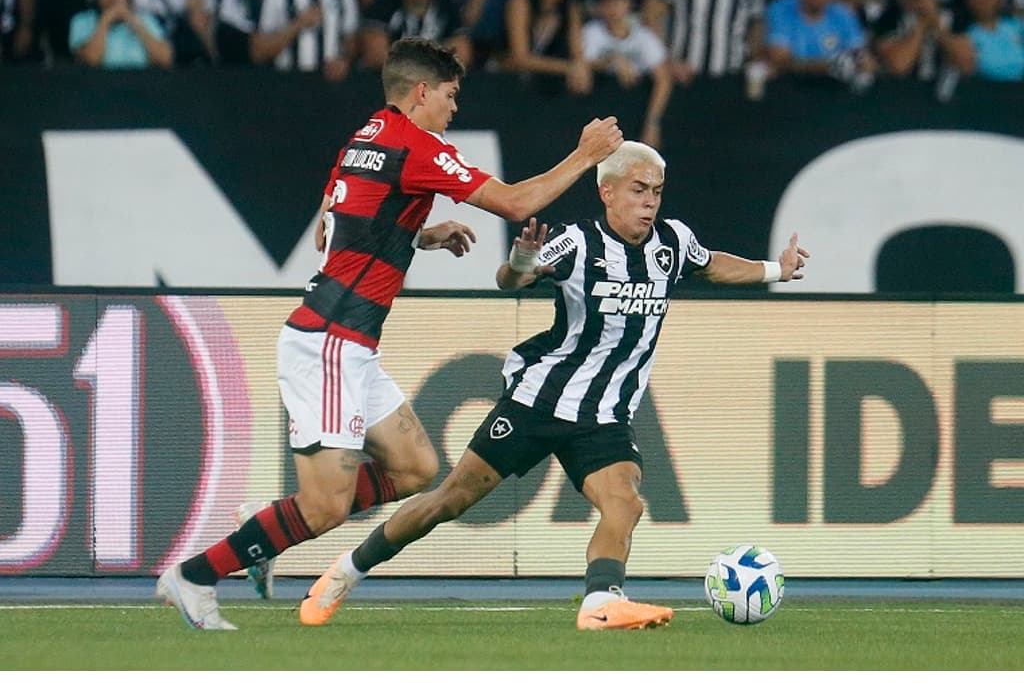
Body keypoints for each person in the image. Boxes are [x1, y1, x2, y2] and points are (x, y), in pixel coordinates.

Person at [155, 37, 624, 630]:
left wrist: (417, 234)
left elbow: (334, 225)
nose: (454, 107)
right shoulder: (417, 146)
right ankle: (195, 576)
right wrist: (584, 155)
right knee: (324, 507)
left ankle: (267, 525)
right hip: (328, 341)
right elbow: (514, 203)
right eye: (450, 95)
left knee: (415, 468)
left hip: (348, 345)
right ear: (422, 92)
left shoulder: (366, 137)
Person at [298, 140, 809, 631]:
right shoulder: (577, 241)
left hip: (604, 416)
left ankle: (600, 604)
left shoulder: (672, 242)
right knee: (450, 499)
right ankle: (347, 570)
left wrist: (776, 270)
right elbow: (511, 279)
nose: (650, 202)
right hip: (538, 402)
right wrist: (522, 262)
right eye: (638, 190)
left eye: (656, 191)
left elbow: (711, 264)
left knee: (625, 503)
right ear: (607, 191)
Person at [581, 0, 674, 149]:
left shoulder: (644, 37)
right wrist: (613, 60)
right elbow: (583, 64)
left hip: (634, 118)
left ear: (628, 4)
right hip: (596, 116)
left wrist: (652, 123)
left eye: (618, 2)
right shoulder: (591, 32)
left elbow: (663, 78)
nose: (613, 8)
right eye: (607, 2)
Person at [764, 0, 877, 92]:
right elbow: (778, 59)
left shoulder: (843, 13)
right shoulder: (780, 9)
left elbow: (862, 55)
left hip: (834, 89)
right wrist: (828, 66)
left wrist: (863, 64)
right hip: (790, 87)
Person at [503, 0, 592, 96]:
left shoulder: (570, 8)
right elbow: (519, 58)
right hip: (506, 79)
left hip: (546, 86)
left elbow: (577, 53)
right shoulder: (520, 2)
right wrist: (568, 68)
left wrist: (580, 69)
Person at [68, 0, 172, 69]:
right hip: (97, 85)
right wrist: (105, 20)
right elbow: (91, 59)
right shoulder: (82, 21)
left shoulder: (147, 20)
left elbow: (164, 59)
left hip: (141, 85)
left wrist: (134, 22)